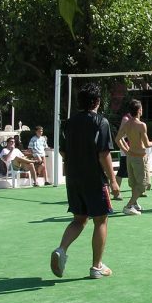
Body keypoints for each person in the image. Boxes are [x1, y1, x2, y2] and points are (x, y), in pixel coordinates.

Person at [50, 82, 119, 279]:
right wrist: (113, 181)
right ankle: (96, 266)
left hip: (73, 178)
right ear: (97, 101)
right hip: (94, 180)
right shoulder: (101, 122)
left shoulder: (69, 123)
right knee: (101, 220)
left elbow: (63, 150)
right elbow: (103, 154)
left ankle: (61, 249)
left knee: (79, 219)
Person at [115, 99, 152, 215]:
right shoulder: (141, 125)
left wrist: (126, 150)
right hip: (140, 158)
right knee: (143, 184)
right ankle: (129, 205)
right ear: (139, 110)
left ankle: (134, 204)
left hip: (130, 157)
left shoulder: (127, 124)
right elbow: (147, 144)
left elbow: (117, 139)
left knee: (134, 183)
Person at [113, 110, 132, 201]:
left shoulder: (136, 119)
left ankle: (138, 191)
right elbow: (121, 135)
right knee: (122, 169)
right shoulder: (126, 119)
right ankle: (116, 192)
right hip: (126, 148)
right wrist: (126, 148)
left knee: (133, 170)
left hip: (133, 148)